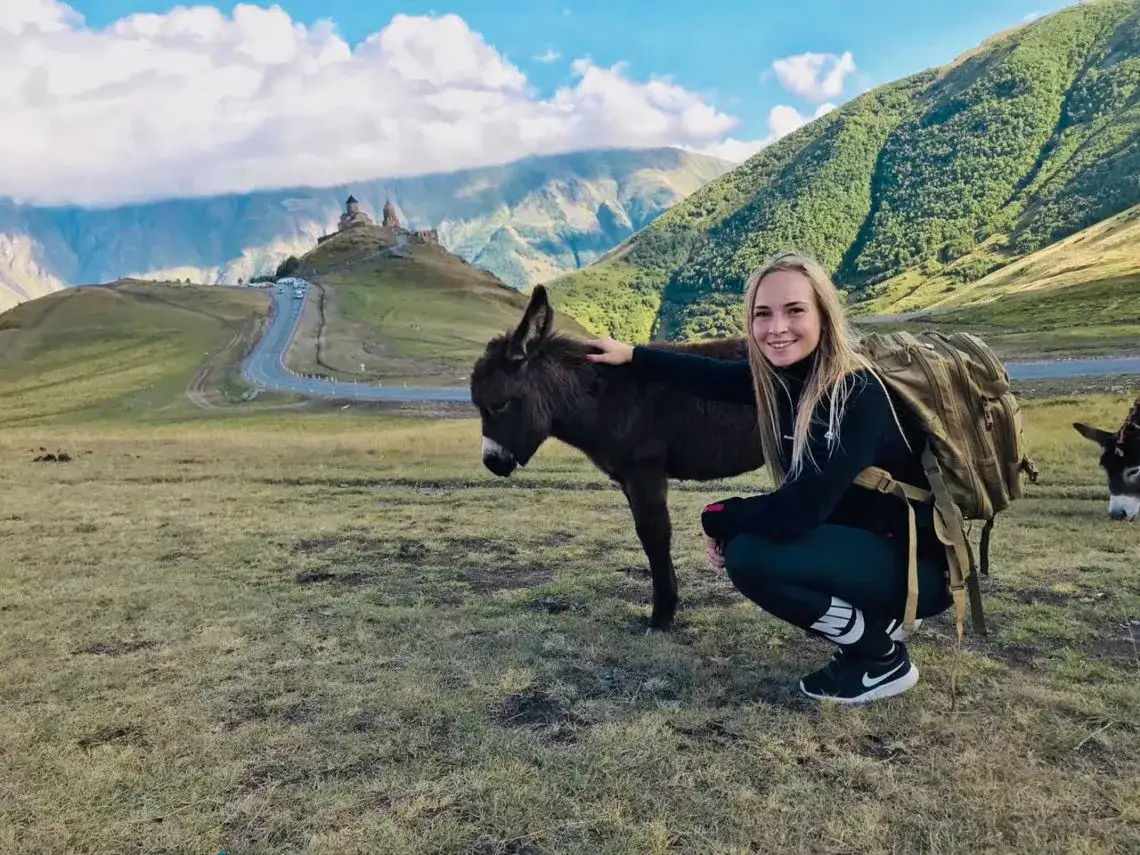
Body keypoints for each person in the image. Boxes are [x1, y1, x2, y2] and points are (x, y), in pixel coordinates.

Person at [586, 250, 951, 704]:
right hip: (874, 545)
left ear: (824, 315)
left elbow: (799, 512)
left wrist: (717, 517)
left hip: (918, 566)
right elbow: (708, 376)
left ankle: (881, 658)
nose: (777, 327)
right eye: (763, 315)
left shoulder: (854, 392)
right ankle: (871, 632)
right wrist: (633, 355)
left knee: (753, 557)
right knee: (758, 544)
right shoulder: (789, 379)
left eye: (794, 310)